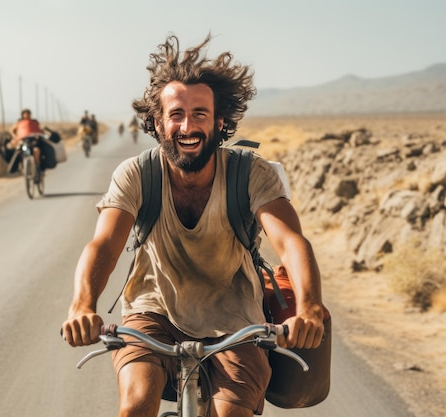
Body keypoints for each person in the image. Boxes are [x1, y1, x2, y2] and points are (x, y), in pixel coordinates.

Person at [61, 34, 325, 417]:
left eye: (200, 113)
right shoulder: (137, 174)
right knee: (135, 406)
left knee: (232, 414)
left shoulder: (250, 174)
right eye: (177, 114)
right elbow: (103, 244)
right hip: (152, 311)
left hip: (235, 317)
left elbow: (290, 241)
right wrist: (82, 306)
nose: (188, 126)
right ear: (158, 122)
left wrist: (311, 307)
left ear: (220, 121)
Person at [8, 109, 43, 175]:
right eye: (25, 114)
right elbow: (11, 130)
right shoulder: (19, 123)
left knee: (36, 150)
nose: (27, 115)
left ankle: (37, 167)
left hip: (33, 141)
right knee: (19, 152)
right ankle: (22, 167)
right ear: (22, 115)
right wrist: (15, 137)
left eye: (28, 114)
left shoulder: (34, 122)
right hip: (23, 141)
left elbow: (39, 130)